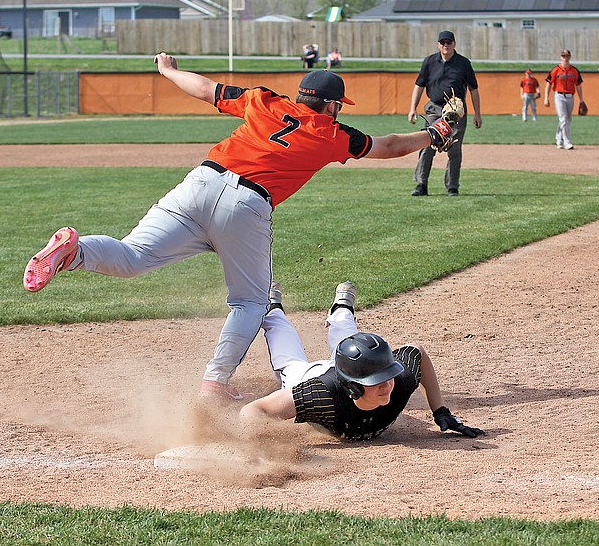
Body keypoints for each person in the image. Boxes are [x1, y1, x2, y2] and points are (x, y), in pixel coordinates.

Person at [22, 55, 457, 403]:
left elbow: (206, 89)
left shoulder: (264, 101)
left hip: (199, 182)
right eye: (337, 104)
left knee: (133, 255)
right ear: (330, 105)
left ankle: (74, 253)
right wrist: (433, 132)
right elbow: (390, 146)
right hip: (246, 203)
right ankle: (214, 384)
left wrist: (170, 72)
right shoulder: (330, 132)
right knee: (251, 301)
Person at [240, 281, 485, 441]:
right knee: (289, 362)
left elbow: (417, 352)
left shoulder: (397, 380)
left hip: (352, 368)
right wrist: (269, 448)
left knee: (354, 345)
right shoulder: (318, 395)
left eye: (386, 376)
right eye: (376, 381)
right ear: (353, 388)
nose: (387, 384)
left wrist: (440, 409)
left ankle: (341, 308)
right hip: (310, 375)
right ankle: (272, 308)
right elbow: (253, 411)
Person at [408, 30, 482, 197]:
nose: (445, 45)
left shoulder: (463, 63)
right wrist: (413, 108)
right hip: (433, 108)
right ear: (438, 44)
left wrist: (478, 114)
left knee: (454, 148)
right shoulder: (429, 62)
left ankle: (452, 186)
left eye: (449, 42)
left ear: (454, 44)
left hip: (456, 111)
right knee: (427, 145)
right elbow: (419, 85)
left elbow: (473, 89)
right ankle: (421, 184)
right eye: (443, 42)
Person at [544, 49, 585, 150]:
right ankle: (567, 142)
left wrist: (581, 100)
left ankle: (558, 139)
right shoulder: (556, 70)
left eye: (567, 56)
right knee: (563, 119)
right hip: (559, 96)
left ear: (570, 57)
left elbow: (578, 85)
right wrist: (546, 98)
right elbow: (548, 83)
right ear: (560, 57)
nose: (565, 58)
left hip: (570, 96)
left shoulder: (574, 70)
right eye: (563, 56)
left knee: (568, 119)